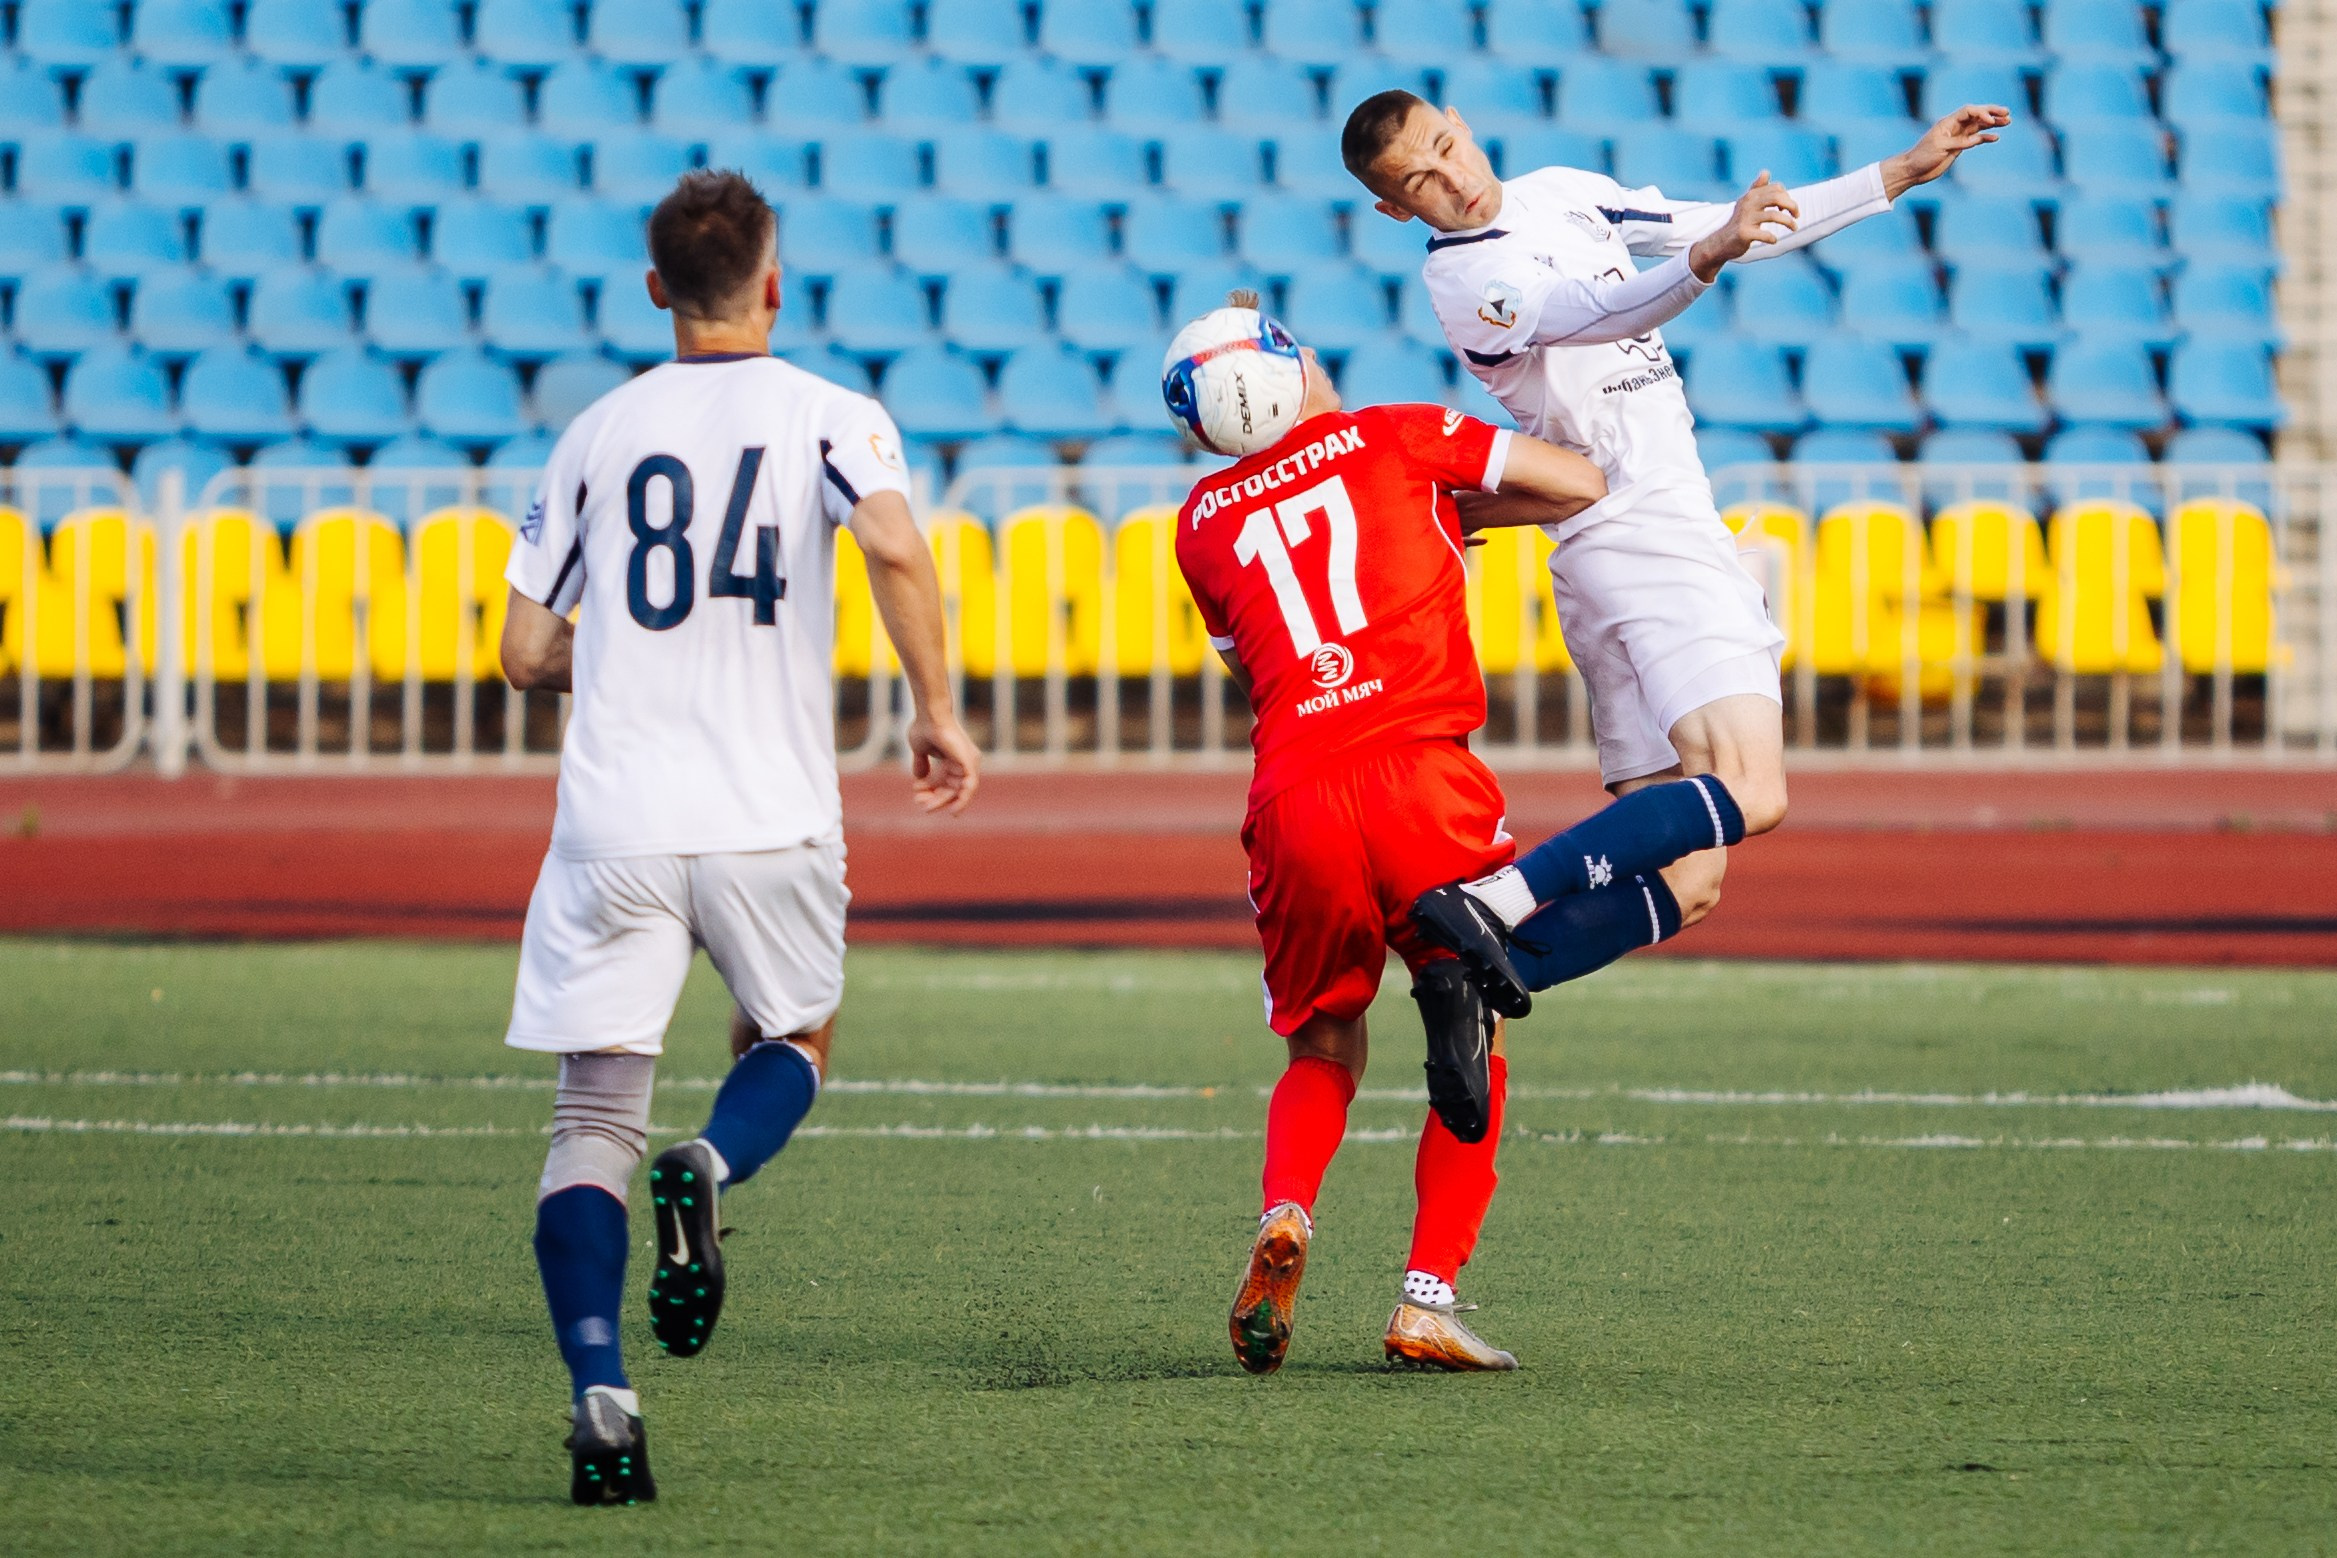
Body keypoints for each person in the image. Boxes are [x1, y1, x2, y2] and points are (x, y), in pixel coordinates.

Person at [497, 170, 979, 1505]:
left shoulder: (595, 431)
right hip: (769, 811)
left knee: (589, 1116)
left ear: (656, 289)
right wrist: (936, 709)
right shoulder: (829, 413)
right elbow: (891, 548)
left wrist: (625, 659)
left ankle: (600, 1392)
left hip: (615, 820)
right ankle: (708, 1165)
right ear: (774, 282)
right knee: (795, 1039)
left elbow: (524, 647)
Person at [1339, 90, 2011, 1008]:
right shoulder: (1463, 281)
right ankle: (1494, 899)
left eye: (1447, 146)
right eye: (1418, 179)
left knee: (1689, 886)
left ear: (1462, 121)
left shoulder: (1563, 191)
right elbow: (1596, 310)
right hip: (1647, 540)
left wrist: (1897, 171)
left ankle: (1466, 978)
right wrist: (1709, 254)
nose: (1451, 178)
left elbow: (1740, 223)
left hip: (1606, 553)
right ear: (1393, 208)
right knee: (1754, 791)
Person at [1166, 296, 1611, 1374]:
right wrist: (1449, 517)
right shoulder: (1396, 434)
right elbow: (1577, 482)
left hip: (1297, 796)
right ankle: (1426, 1297)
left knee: (1321, 1044)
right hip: (1423, 775)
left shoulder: (1198, 528)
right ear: (1292, 369)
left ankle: (1288, 1213)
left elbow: (1255, 660)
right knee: (1476, 1022)